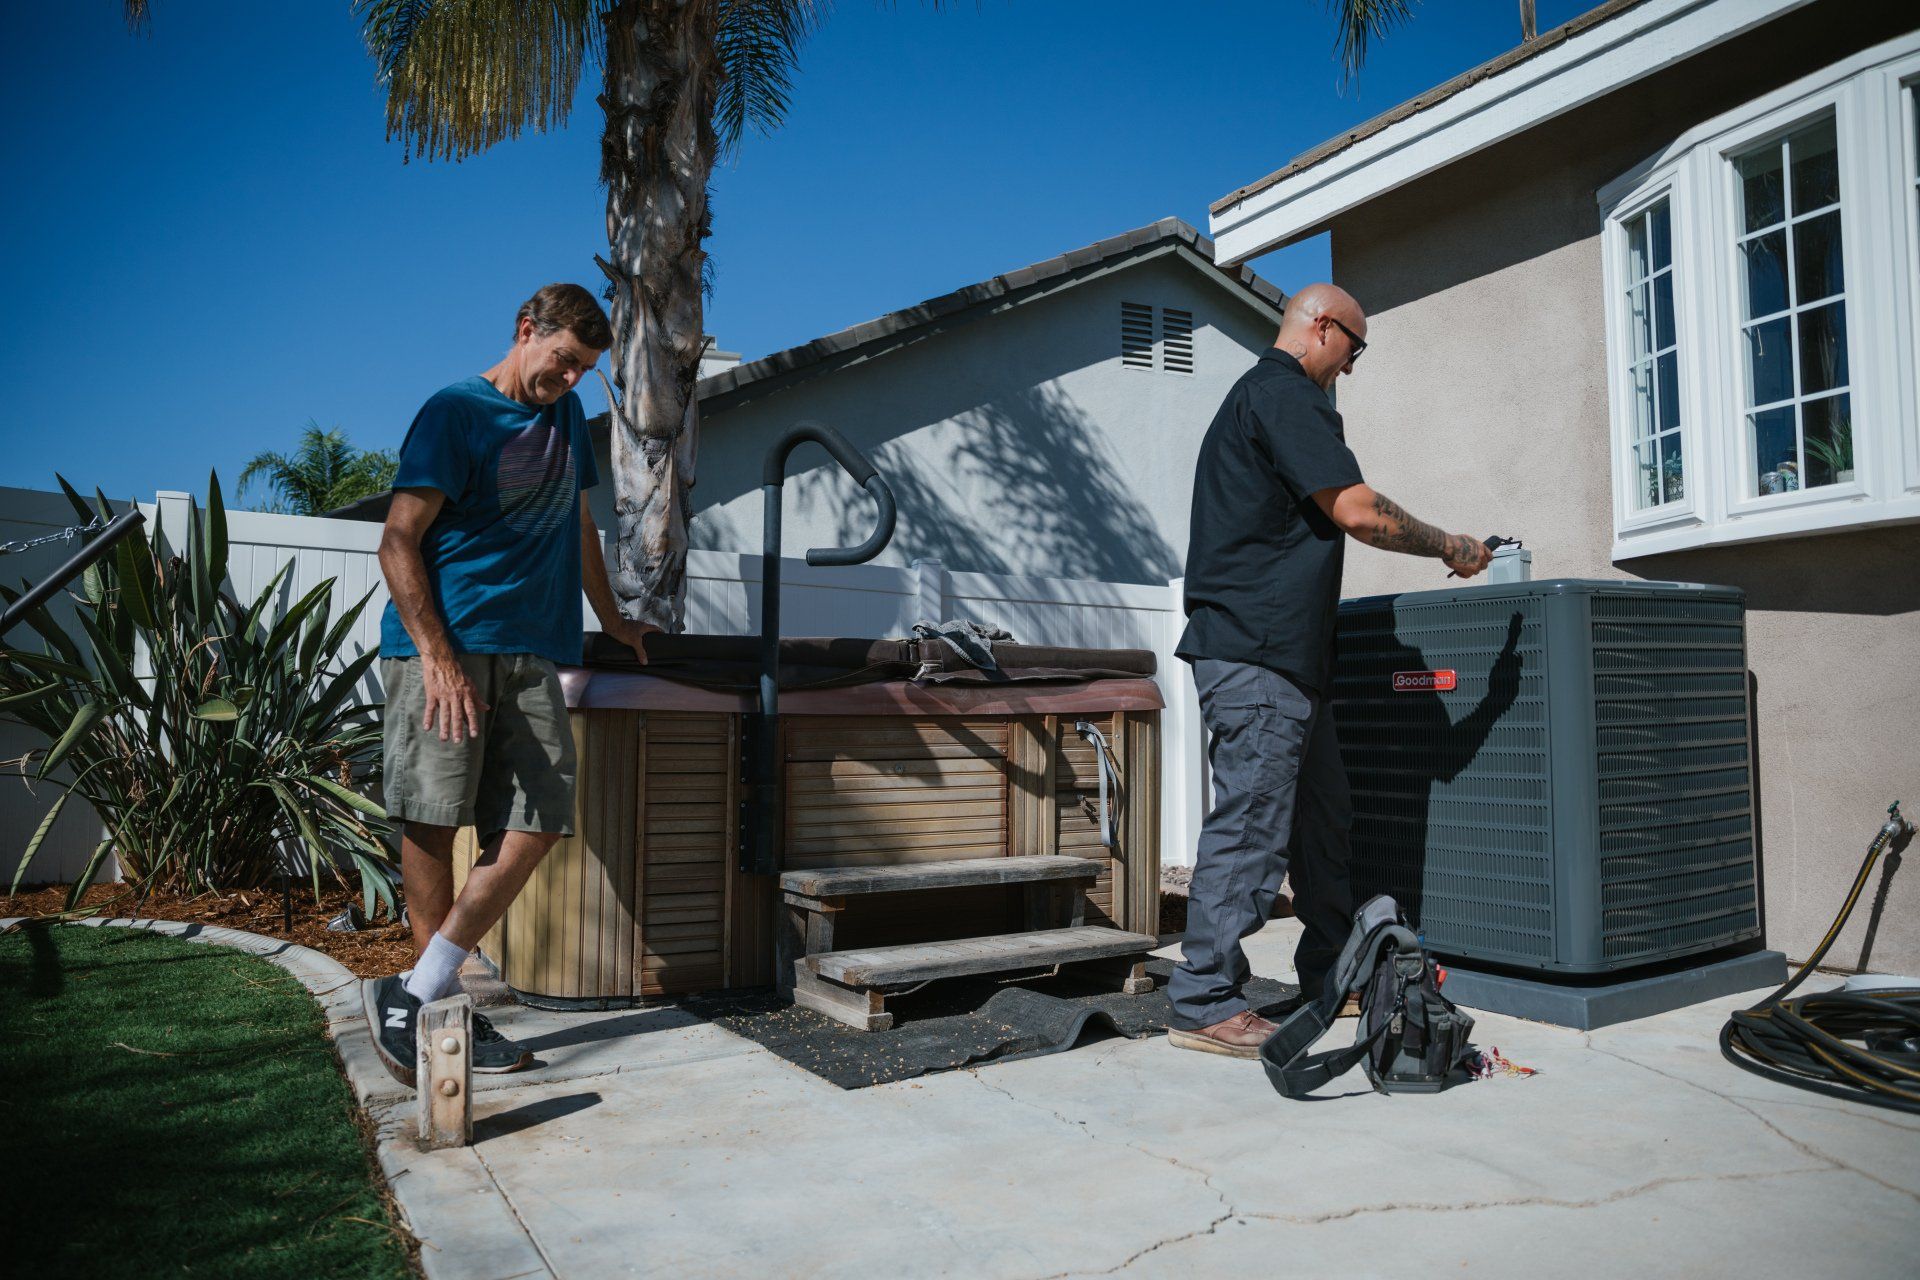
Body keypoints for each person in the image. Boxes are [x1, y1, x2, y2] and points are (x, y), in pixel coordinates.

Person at [1166, 282, 1492, 1059]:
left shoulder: (1265, 400)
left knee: (1323, 822)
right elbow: (1354, 509)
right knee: (1251, 827)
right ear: (1321, 327)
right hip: (1259, 654)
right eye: (1355, 347)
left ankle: (1329, 974)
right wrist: (1449, 543)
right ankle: (1204, 999)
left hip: (1290, 662)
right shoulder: (1282, 395)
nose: (1352, 366)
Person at [362, 283, 656, 1086]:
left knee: (542, 817)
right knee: (432, 818)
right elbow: (397, 543)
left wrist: (616, 618)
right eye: (562, 362)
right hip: (445, 649)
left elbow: (579, 523)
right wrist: (438, 656)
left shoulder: (562, 416)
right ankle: (440, 1005)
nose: (567, 381)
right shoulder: (453, 412)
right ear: (527, 331)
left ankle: (417, 991)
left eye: (582, 371)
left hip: (534, 652)